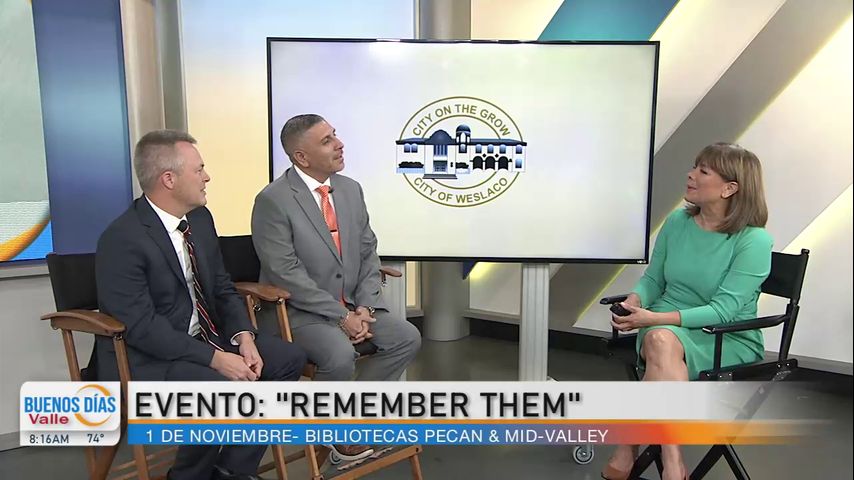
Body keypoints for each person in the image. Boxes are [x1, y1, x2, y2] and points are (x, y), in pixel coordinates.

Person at [95, 130, 307, 480]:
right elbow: (142, 327)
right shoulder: (122, 239)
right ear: (169, 179)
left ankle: (231, 470)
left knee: (288, 359)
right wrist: (216, 359)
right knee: (217, 390)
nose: (207, 177)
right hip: (146, 357)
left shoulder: (200, 219)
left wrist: (243, 337)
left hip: (204, 338)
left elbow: (221, 286)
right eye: (199, 169)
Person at [251, 114, 422, 461]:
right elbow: (285, 272)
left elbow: (368, 251)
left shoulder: (350, 189)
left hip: (352, 306)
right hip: (299, 312)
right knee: (339, 355)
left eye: (335, 135)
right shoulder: (273, 200)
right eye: (327, 140)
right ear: (301, 157)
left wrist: (365, 308)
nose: (339, 144)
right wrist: (341, 316)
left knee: (406, 337)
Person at [602, 143, 773, 480]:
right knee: (661, 342)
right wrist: (636, 300)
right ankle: (673, 461)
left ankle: (630, 446)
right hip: (663, 328)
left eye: (703, 171)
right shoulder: (678, 221)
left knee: (660, 343)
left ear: (729, 188)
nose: (691, 175)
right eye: (694, 167)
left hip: (724, 338)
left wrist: (653, 319)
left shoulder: (754, 241)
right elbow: (654, 279)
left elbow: (724, 311)